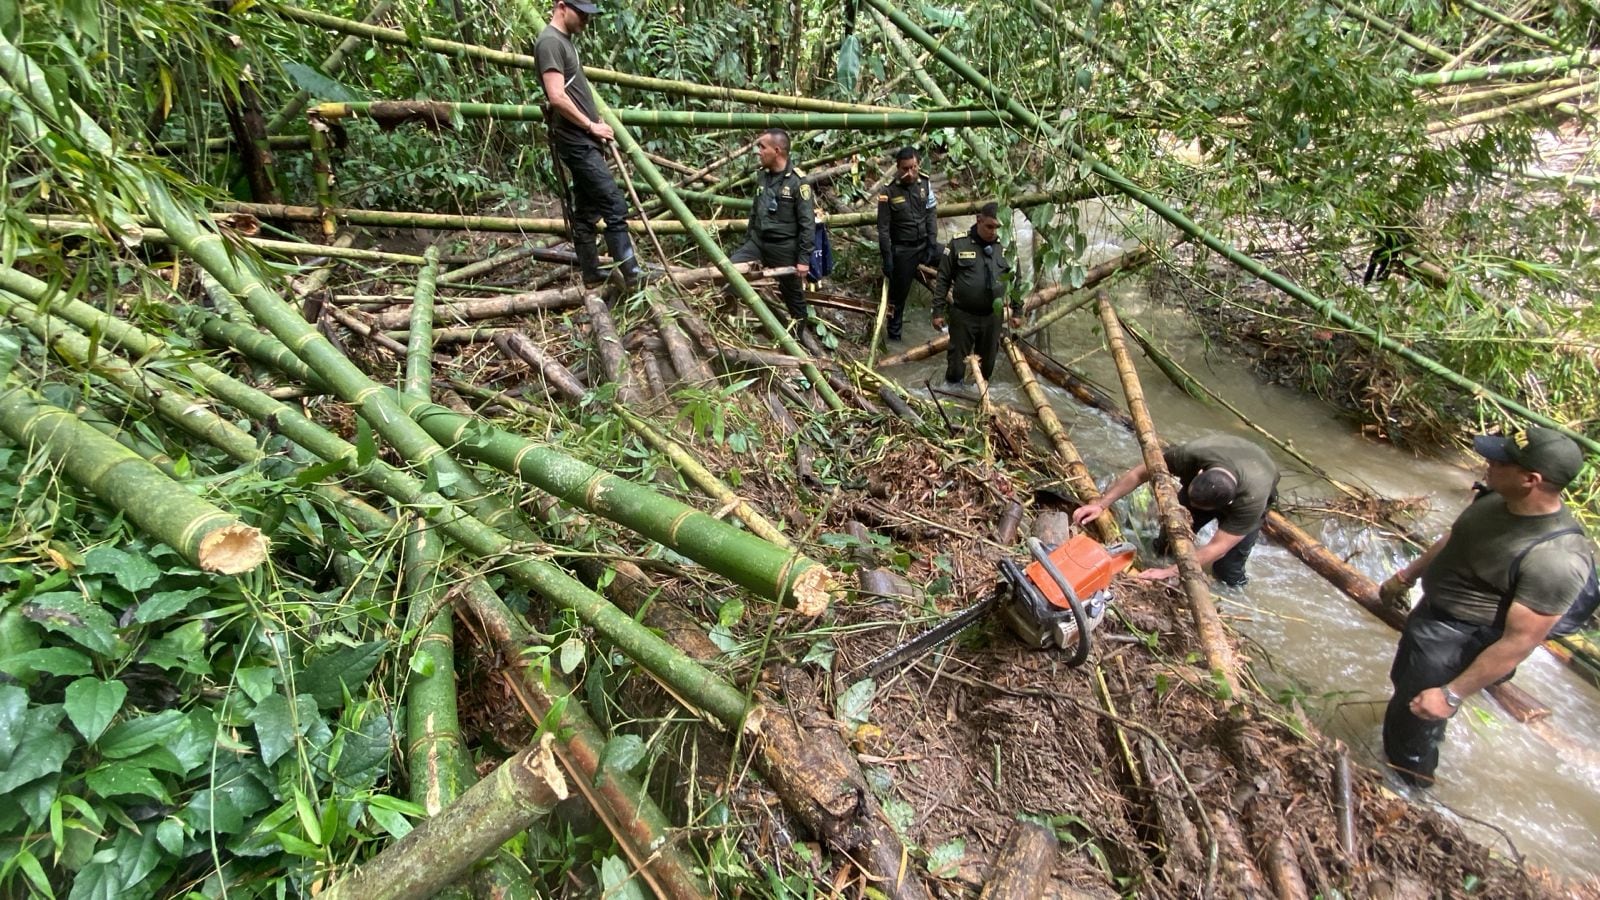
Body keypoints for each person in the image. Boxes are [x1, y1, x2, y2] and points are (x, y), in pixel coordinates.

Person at [1377, 427, 1594, 787]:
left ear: (1531, 479)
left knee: (1413, 722)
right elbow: (1457, 535)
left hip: (1459, 642)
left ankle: (1408, 793)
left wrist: (1450, 695)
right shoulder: (1498, 497)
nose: (1488, 462)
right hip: (1432, 618)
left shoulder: (1557, 559)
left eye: (1500, 460)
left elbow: (1519, 643)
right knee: (1407, 696)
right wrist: (1406, 576)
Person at [1071, 434, 1280, 586]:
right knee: (1166, 545)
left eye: (1200, 508)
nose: (1192, 510)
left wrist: (1169, 572)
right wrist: (1100, 504)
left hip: (1250, 489)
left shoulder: (1250, 501)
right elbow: (1139, 474)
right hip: (1219, 469)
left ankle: (1234, 586)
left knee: (1227, 571)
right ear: (1198, 473)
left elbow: (1219, 547)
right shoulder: (1190, 455)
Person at [534, 0, 643, 289]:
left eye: (588, 15)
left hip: (584, 139)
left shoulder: (563, 41)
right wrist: (591, 125)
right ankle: (632, 276)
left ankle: (592, 274)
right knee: (614, 204)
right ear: (561, 6)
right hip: (577, 140)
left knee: (585, 212)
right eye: (581, 13)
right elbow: (556, 97)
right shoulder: (549, 42)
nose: (585, 20)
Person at [728, 128, 814, 323]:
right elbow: (754, 211)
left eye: (762, 147)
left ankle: (798, 338)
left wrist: (803, 259)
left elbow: (807, 223)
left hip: (784, 247)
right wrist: (749, 240)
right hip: (758, 242)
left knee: (793, 296)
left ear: (777, 150)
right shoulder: (763, 176)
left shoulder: (798, 183)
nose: (758, 151)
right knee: (730, 272)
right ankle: (727, 316)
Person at [931, 203, 1016, 384]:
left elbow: (1017, 280)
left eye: (998, 228)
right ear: (979, 221)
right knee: (955, 367)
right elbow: (943, 279)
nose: (993, 231)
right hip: (963, 315)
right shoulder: (958, 244)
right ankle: (953, 397)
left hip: (992, 317)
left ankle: (979, 401)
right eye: (989, 226)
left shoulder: (1007, 247)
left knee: (987, 368)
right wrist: (937, 311)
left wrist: (1019, 310)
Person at [876, 146, 939, 341]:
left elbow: (931, 215)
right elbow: (884, 229)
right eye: (905, 169)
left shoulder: (925, 184)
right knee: (898, 300)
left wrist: (931, 243)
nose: (910, 173)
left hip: (924, 245)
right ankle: (894, 337)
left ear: (918, 165)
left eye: (913, 168)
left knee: (954, 257)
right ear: (897, 167)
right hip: (903, 250)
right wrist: (887, 258)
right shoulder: (888, 191)